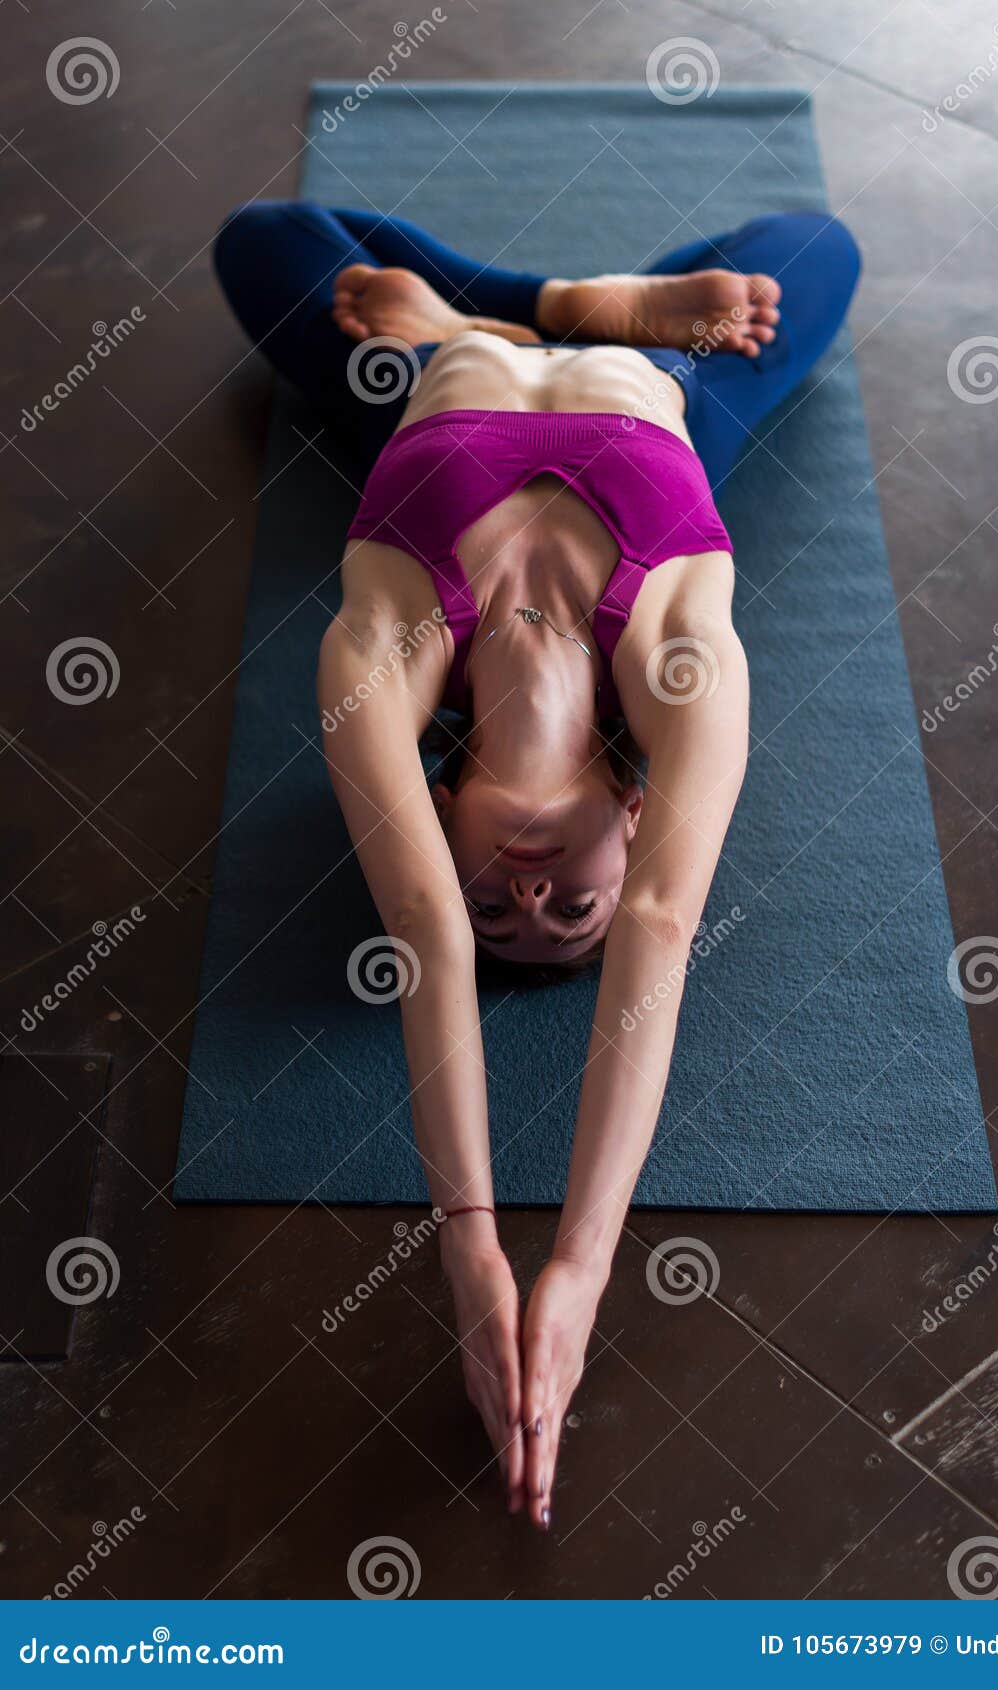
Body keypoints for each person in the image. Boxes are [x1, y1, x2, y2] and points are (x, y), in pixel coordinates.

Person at [214, 199, 860, 1530]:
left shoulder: (386, 646)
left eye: (497, 901)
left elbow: (428, 940)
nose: (524, 890)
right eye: (572, 908)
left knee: (265, 242)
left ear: (442, 815)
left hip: (425, 388)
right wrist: (574, 1260)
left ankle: (490, 314)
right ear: (632, 816)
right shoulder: (679, 645)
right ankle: (570, 307)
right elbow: (665, 929)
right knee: (814, 251)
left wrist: (472, 1246)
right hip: (661, 397)